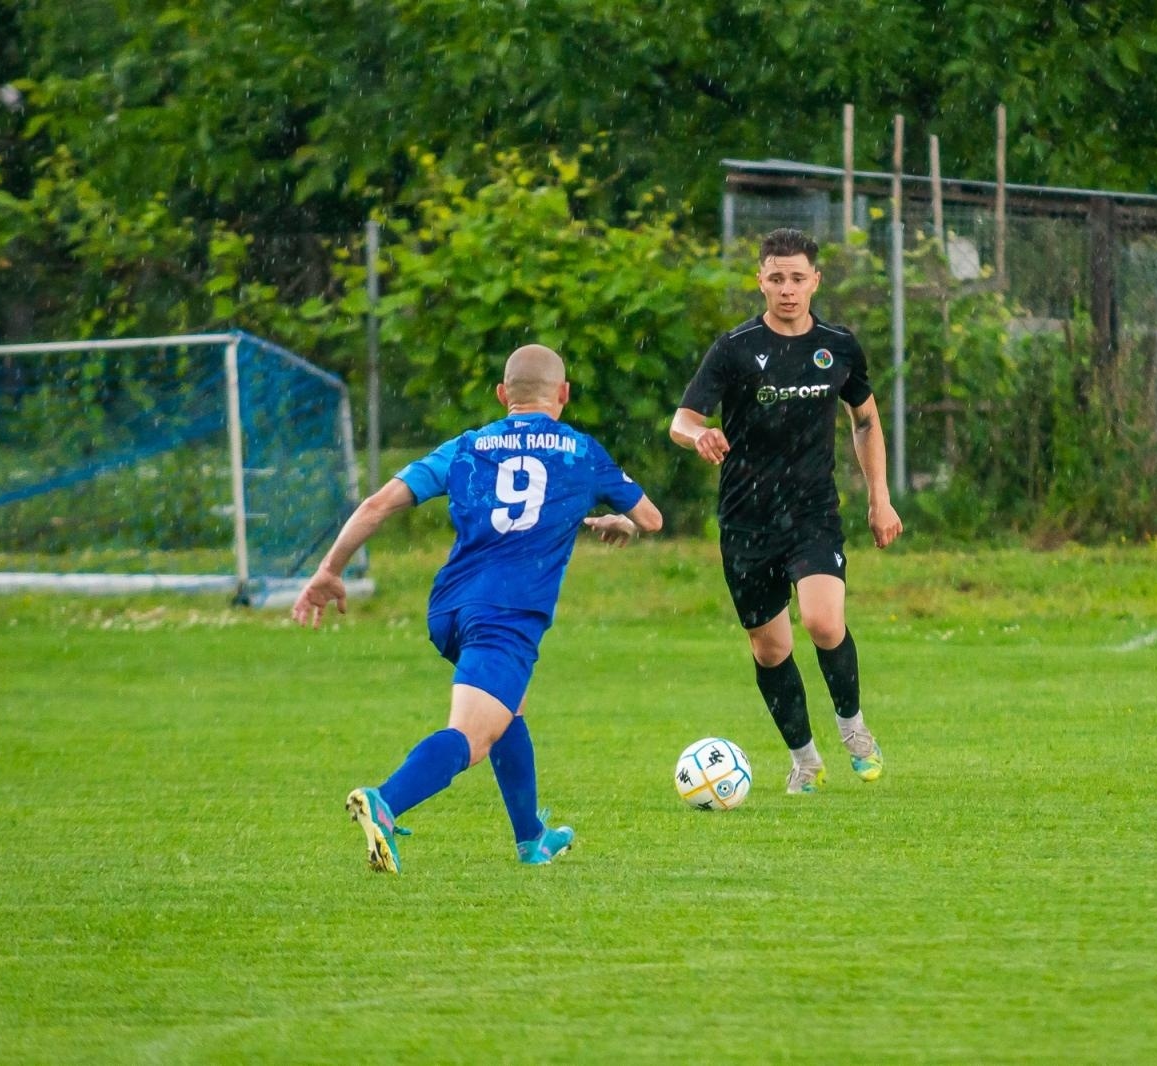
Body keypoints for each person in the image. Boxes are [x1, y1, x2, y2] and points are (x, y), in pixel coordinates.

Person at [293, 343, 663, 873]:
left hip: (449, 609)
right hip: (506, 617)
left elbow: (377, 504)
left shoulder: (467, 446)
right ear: (564, 394)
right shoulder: (581, 452)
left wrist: (329, 570)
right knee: (472, 736)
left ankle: (532, 838)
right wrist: (619, 521)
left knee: (510, 708)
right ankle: (386, 802)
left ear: (501, 395)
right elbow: (650, 518)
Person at [670, 227, 903, 794]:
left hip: (812, 511)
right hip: (746, 519)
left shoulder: (838, 346)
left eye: (798, 278)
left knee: (824, 622)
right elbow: (683, 419)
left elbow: (866, 419)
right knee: (770, 648)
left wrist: (880, 497)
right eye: (776, 278)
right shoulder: (734, 348)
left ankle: (854, 729)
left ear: (815, 280)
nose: (788, 289)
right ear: (761, 280)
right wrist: (697, 436)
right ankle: (805, 760)